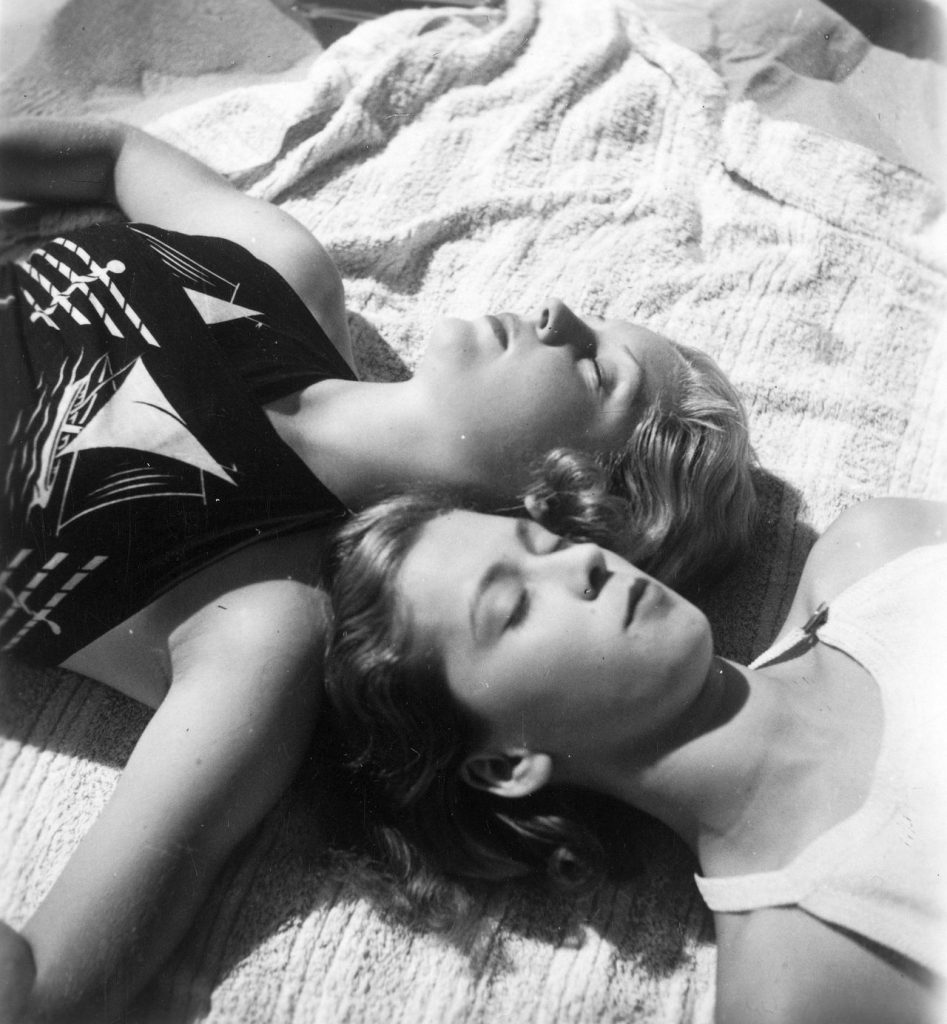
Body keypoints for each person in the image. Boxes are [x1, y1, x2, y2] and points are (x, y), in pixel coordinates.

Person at [0, 116, 754, 1021]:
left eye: (598, 372)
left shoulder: (261, 627)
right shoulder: (282, 269)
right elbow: (116, 155)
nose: (559, 314)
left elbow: (43, 987)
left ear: (568, 502)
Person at [325, 492, 947, 1024]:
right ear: (507, 766)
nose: (585, 560)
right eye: (513, 606)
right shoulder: (802, 982)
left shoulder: (879, 552)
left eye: (550, 543)